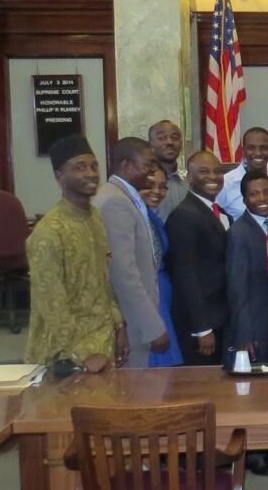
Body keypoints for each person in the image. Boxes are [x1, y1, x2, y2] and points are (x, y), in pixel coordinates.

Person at [25, 134, 128, 371]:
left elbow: (104, 281)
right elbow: (50, 302)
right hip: (66, 356)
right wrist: (81, 353)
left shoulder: (95, 218)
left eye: (94, 166)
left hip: (103, 340)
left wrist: (119, 326)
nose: (91, 173)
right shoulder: (48, 232)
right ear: (59, 175)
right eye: (79, 168)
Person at [95, 137, 170, 367]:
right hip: (131, 322)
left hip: (134, 319)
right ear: (127, 165)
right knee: (136, 394)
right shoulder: (114, 202)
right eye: (147, 165)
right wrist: (152, 327)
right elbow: (124, 273)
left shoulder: (124, 196)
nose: (152, 171)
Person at [166, 151, 231, 365]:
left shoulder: (221, 214)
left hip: (222, 319)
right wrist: (201, 328)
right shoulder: (184, 215)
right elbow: (186, 275)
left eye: (217, 171)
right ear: (189, 177)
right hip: (201, 326)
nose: (212, 176)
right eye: (203, 171)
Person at [227, 170, 268, 363]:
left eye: (267, 192)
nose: (263, 198)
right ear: (244, 199)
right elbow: (236, 288)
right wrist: (243, 333)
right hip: (255, 326)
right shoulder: (238, 233)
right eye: (254, 194)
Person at [137, 167, 183, 367]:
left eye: (163, 187)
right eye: (150, 185)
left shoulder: (152, 218)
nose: (157, 191)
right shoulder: (135, 218)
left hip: (163, 294)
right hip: (148, 297)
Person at [217, 127, 268, 219]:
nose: (258, 153)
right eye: (251, 148)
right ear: (243, 151)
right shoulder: (225, 183)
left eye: (263, 148)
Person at [148, 119, 187, 222]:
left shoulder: (189, 183)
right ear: (150, 144)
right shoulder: (144, 185)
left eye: (175, 138)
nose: (169, 142)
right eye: (161, 138)